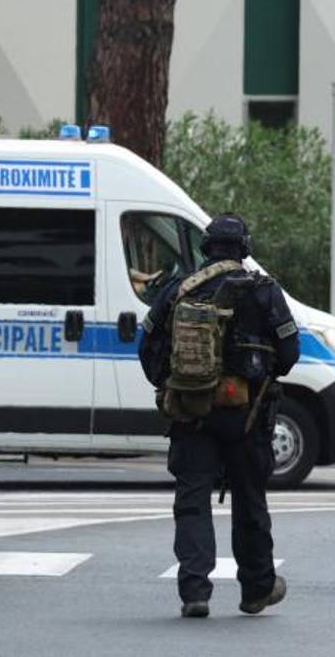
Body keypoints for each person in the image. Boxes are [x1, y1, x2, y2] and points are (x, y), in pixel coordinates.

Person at [139, 214, 300, 618]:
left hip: (191, 412)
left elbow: (147, 347)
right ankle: (256, 589)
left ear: (206, 248)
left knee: (192, 501)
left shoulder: (179, 290)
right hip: (248, 414)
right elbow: (290, 353)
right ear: (245, 248)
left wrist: (173, 386)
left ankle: (195, 592)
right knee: (250, 501)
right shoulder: (264, 291)